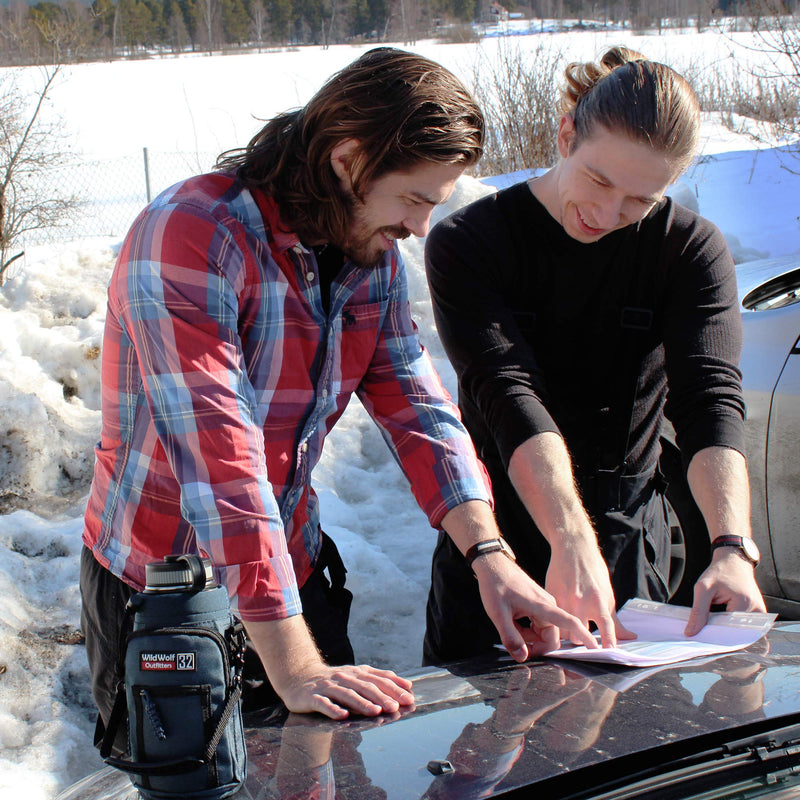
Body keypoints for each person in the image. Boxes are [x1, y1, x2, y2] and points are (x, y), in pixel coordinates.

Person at [80, 47, 599, 743]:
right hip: (166, 591)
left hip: (289, 568)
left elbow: (419, 408)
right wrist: (293, 667)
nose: (420, 227)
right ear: (348, 160)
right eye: (414, 199)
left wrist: (490, 558)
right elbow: (220, 459)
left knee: (327, 767)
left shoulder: (368, 255)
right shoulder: (194, 234)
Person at [422, 46, 767, 666]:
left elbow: (710, 397)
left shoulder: (687, 251)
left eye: (640, 200)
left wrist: (731, 546)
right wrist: (567, 538)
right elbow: (507, 391)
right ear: (565, 133)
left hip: (626, 540)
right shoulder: (471, 242)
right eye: (599, 181)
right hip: (495, 548)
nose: (608, 215)